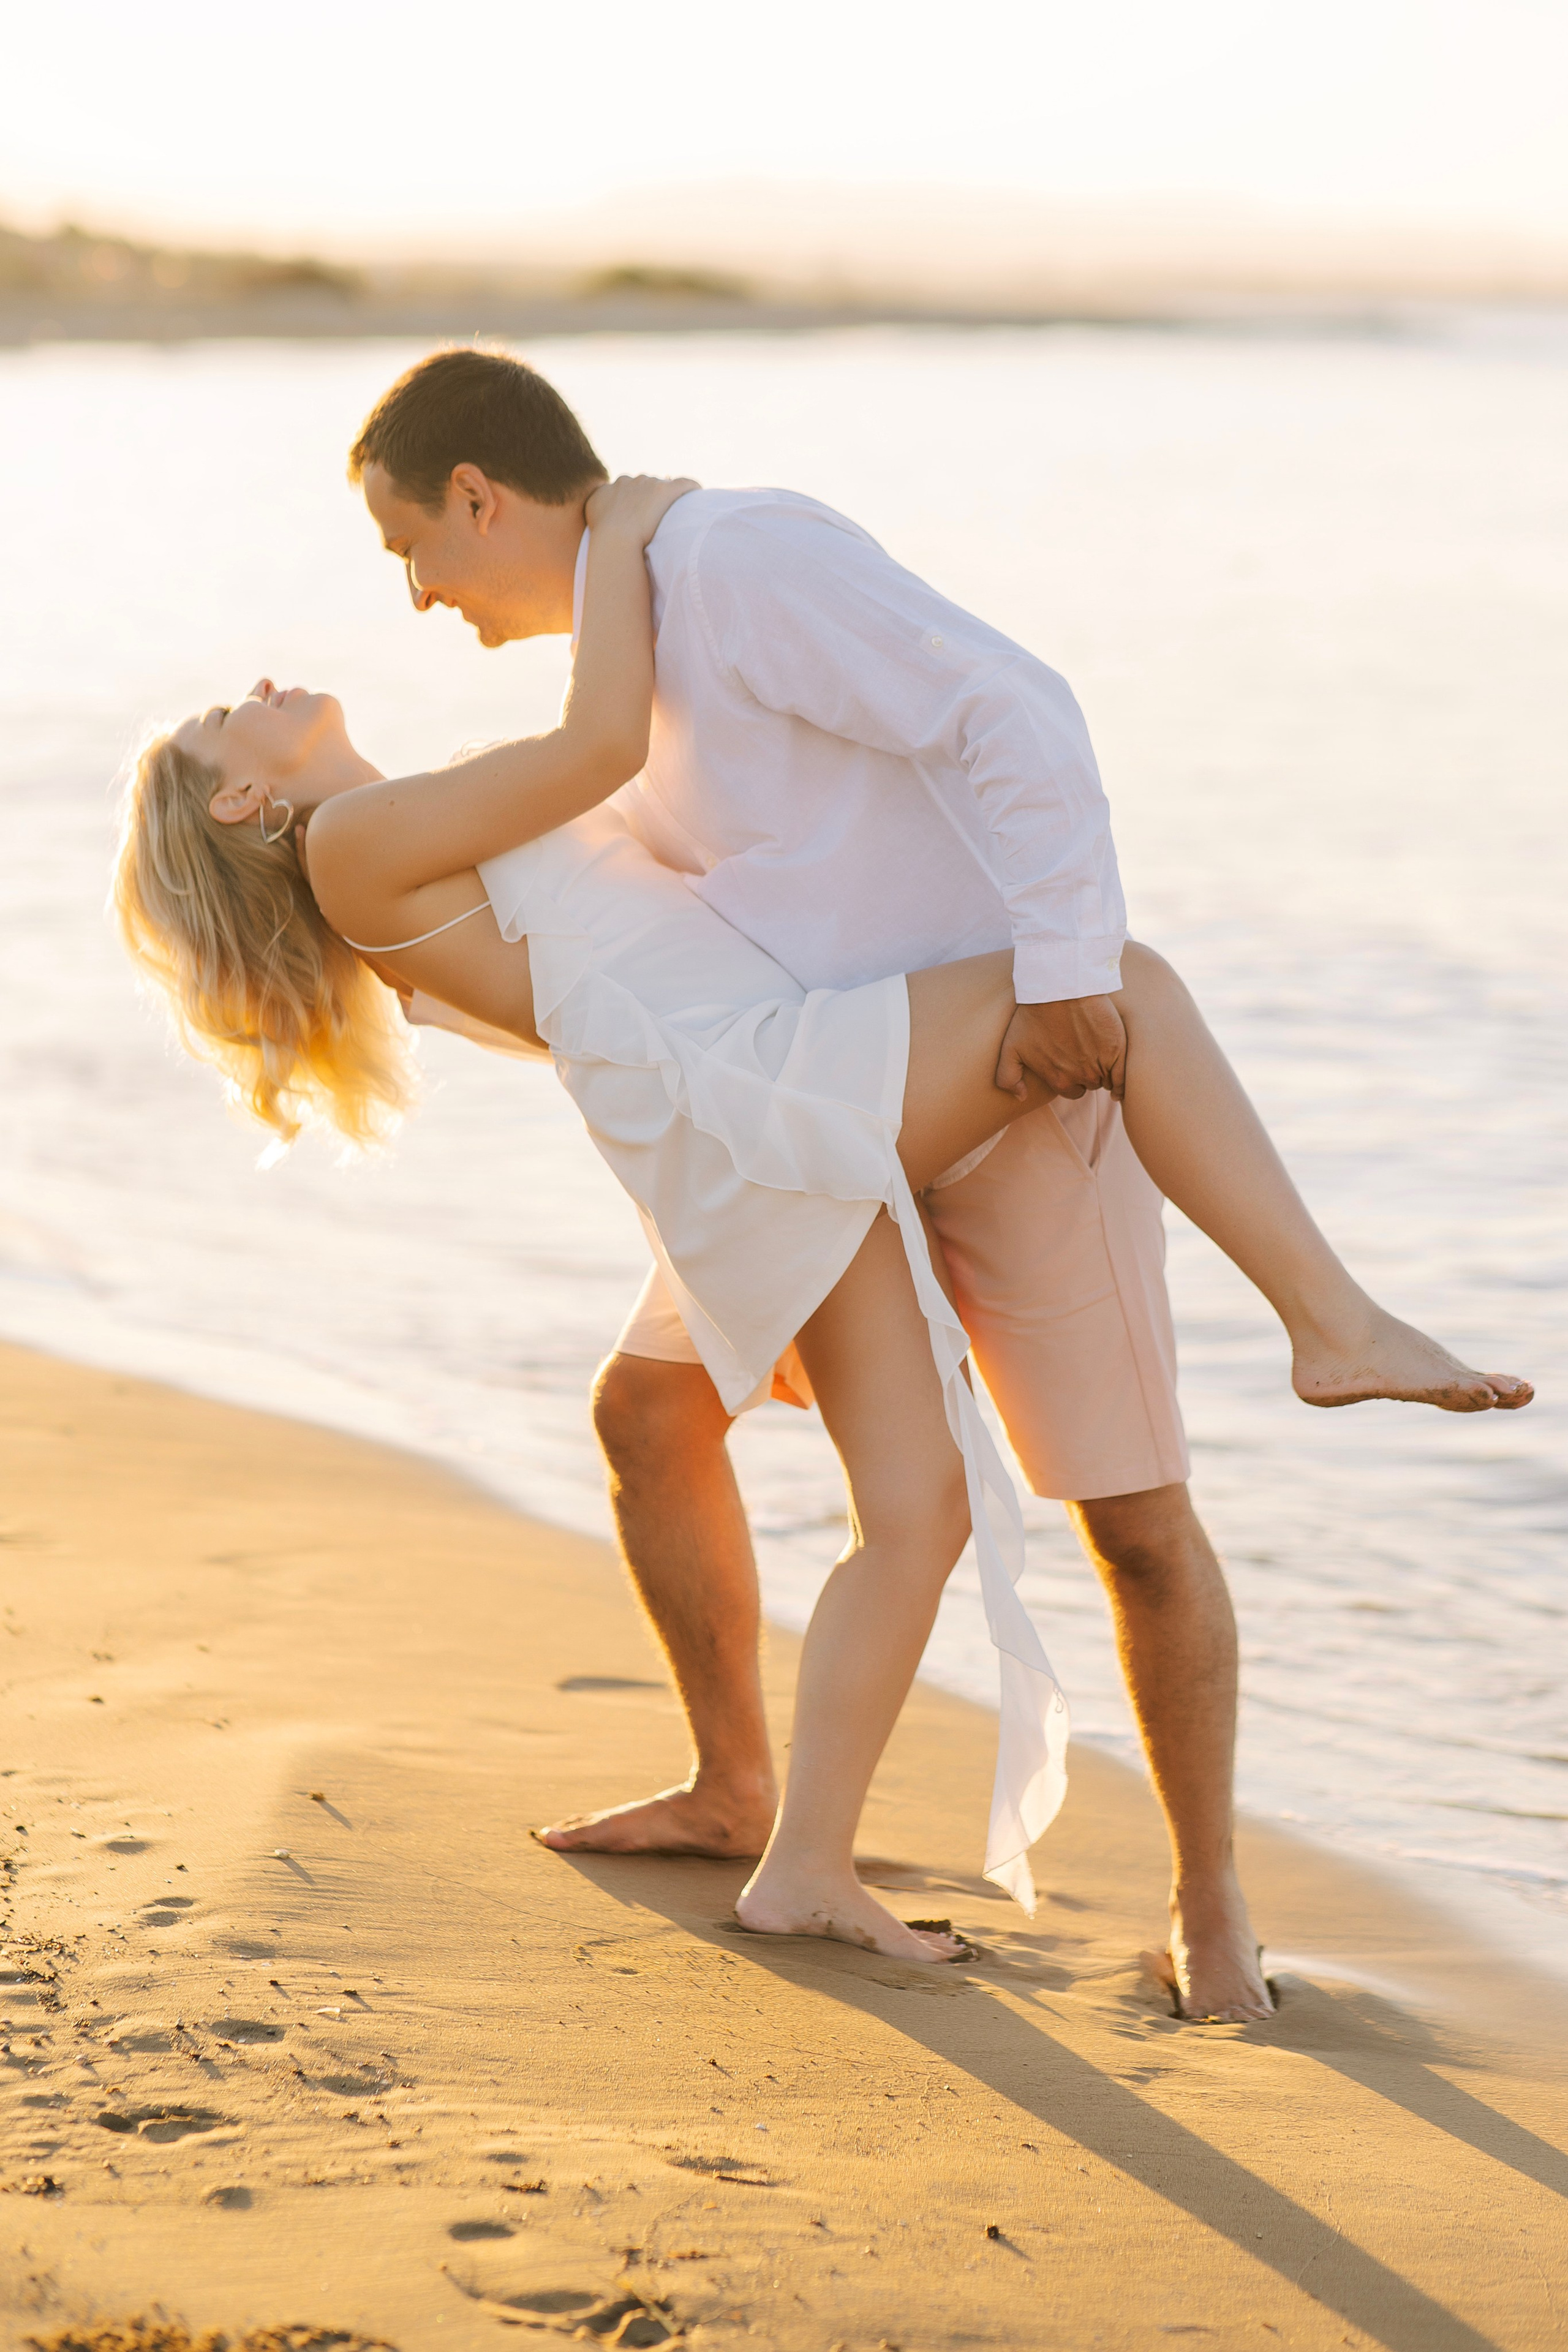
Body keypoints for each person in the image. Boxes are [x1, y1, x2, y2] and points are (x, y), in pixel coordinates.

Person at [113, 478, 1529, 1995]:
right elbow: (602, 743)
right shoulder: (360, 839)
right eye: (223, 719)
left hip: (765, 1125)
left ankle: (801, 1866)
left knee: (915, 1513)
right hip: (785, 1088)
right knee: (1124, 988)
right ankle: (1327, 1320)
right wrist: (621, 539)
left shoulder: (409, 850)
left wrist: (728, 1238)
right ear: (243, 804)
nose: (258, 687)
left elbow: (599, 995)